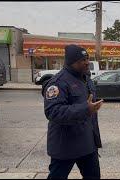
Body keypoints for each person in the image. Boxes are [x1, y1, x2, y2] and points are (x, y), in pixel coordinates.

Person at [42, 44, 104, 179]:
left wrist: (95, 141)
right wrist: (86, 109)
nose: (87, 62)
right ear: (71, 62)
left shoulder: (86, 79)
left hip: (87, 144)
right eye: (82, 60)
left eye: (87, 58)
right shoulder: (58, 82)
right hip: (65, 146)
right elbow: (53, 111)